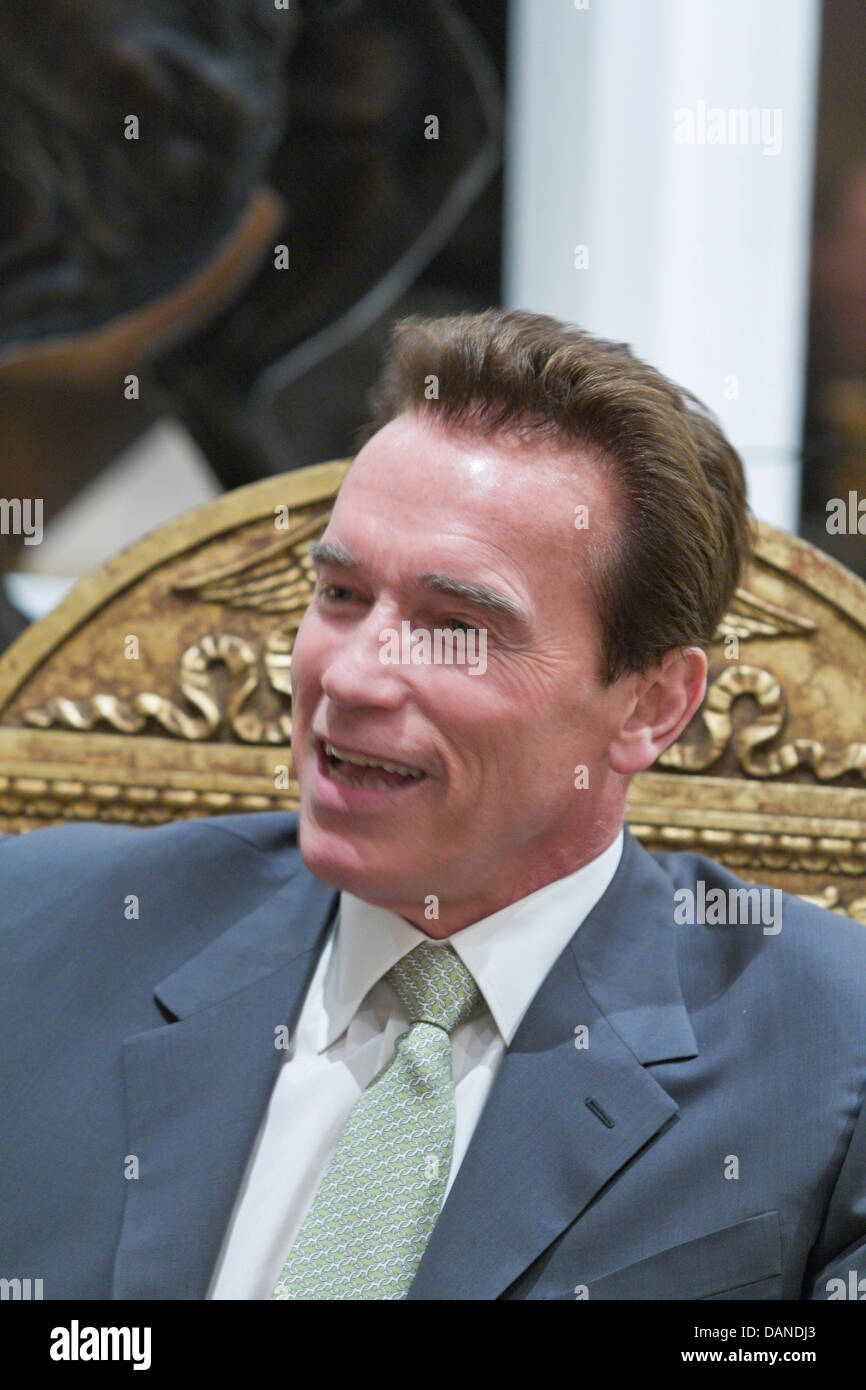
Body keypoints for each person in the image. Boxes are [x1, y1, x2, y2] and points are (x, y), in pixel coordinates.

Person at [2, 309, 865, 1301]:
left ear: (650, 705)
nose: (350, 676)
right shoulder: (37, 932)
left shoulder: (827, 1055)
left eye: (454, 627)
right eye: (339, 594)